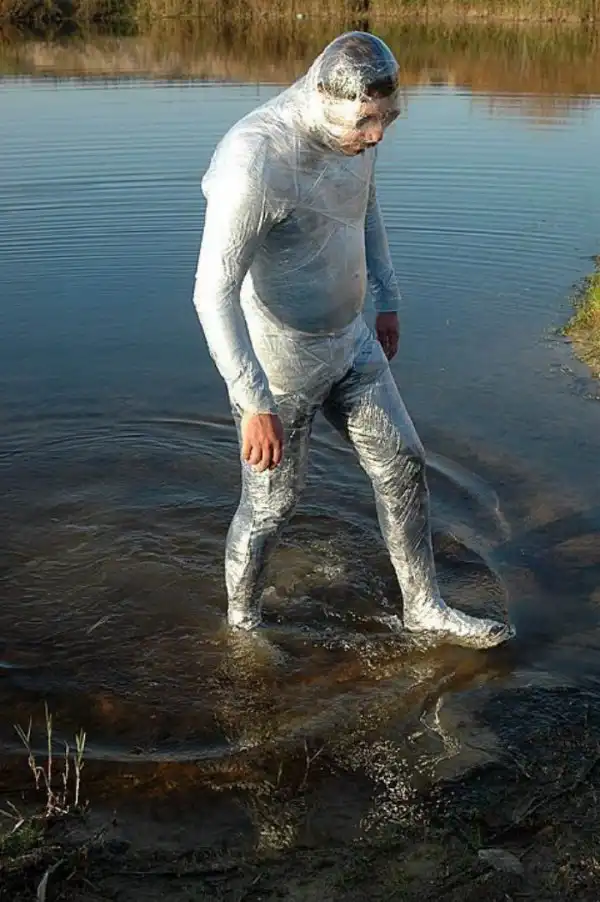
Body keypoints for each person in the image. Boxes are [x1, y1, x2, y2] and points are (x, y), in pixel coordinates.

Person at [191, 31, 515, 650]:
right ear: (323, 96)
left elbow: (365, 209)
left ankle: (424, 607)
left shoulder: (355, 138)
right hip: (280, 360)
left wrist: (387, 299)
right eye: (367, 121)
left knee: (404, 463)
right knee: (272, 503)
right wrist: (253, 399)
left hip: (351, 339)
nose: (377, 135)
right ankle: (243, 627)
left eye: (387, 118)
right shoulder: (254, 160)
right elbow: (212, 293)